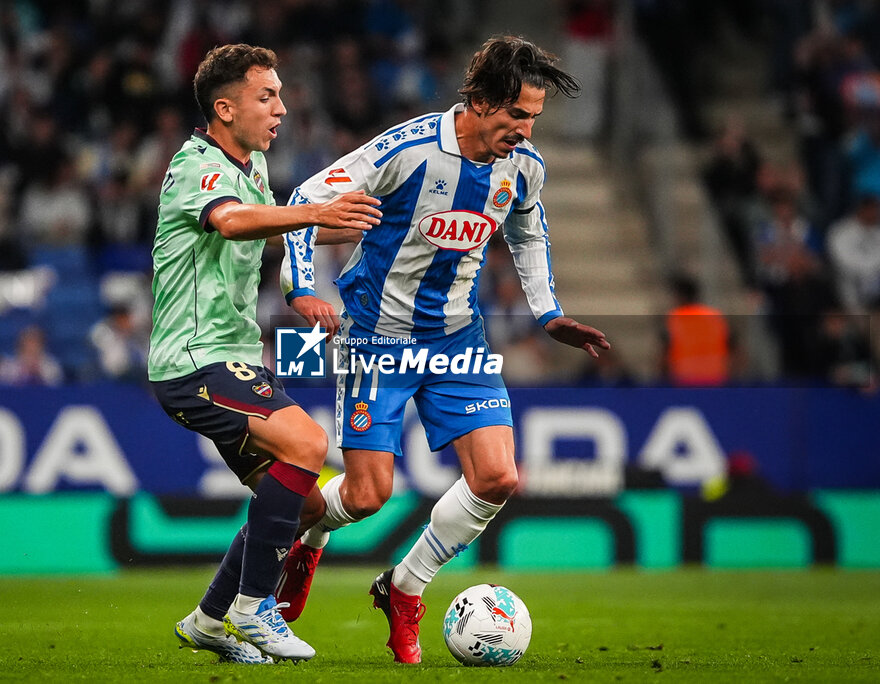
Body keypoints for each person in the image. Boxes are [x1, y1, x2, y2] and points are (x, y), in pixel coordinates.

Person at [278, 36, 610, 663]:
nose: (525, 128)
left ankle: (404, 588)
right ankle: (307, 538)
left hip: (458, 338)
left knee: (497, 477)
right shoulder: (407, 150)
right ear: (481, 103)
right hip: (376, 337)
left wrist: (549, 313)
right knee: (367, 494)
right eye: (517, 115)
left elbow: (529, 231)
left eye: (534, 116)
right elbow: (305, 199)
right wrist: (301, 291)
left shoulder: (524, 166)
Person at [146, 44, 382, 664]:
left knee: (300, 502)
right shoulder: (196, 166)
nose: (281, 107)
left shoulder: (249, 170)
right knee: (307, 445)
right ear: (225, 108)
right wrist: (313, 210)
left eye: (279, 94)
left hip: (234, 357)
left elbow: (285, 225)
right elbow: (230, 222)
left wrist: (363, 223)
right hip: (194, 359)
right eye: (266, 96)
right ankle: (255, 607)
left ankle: (206, 620)